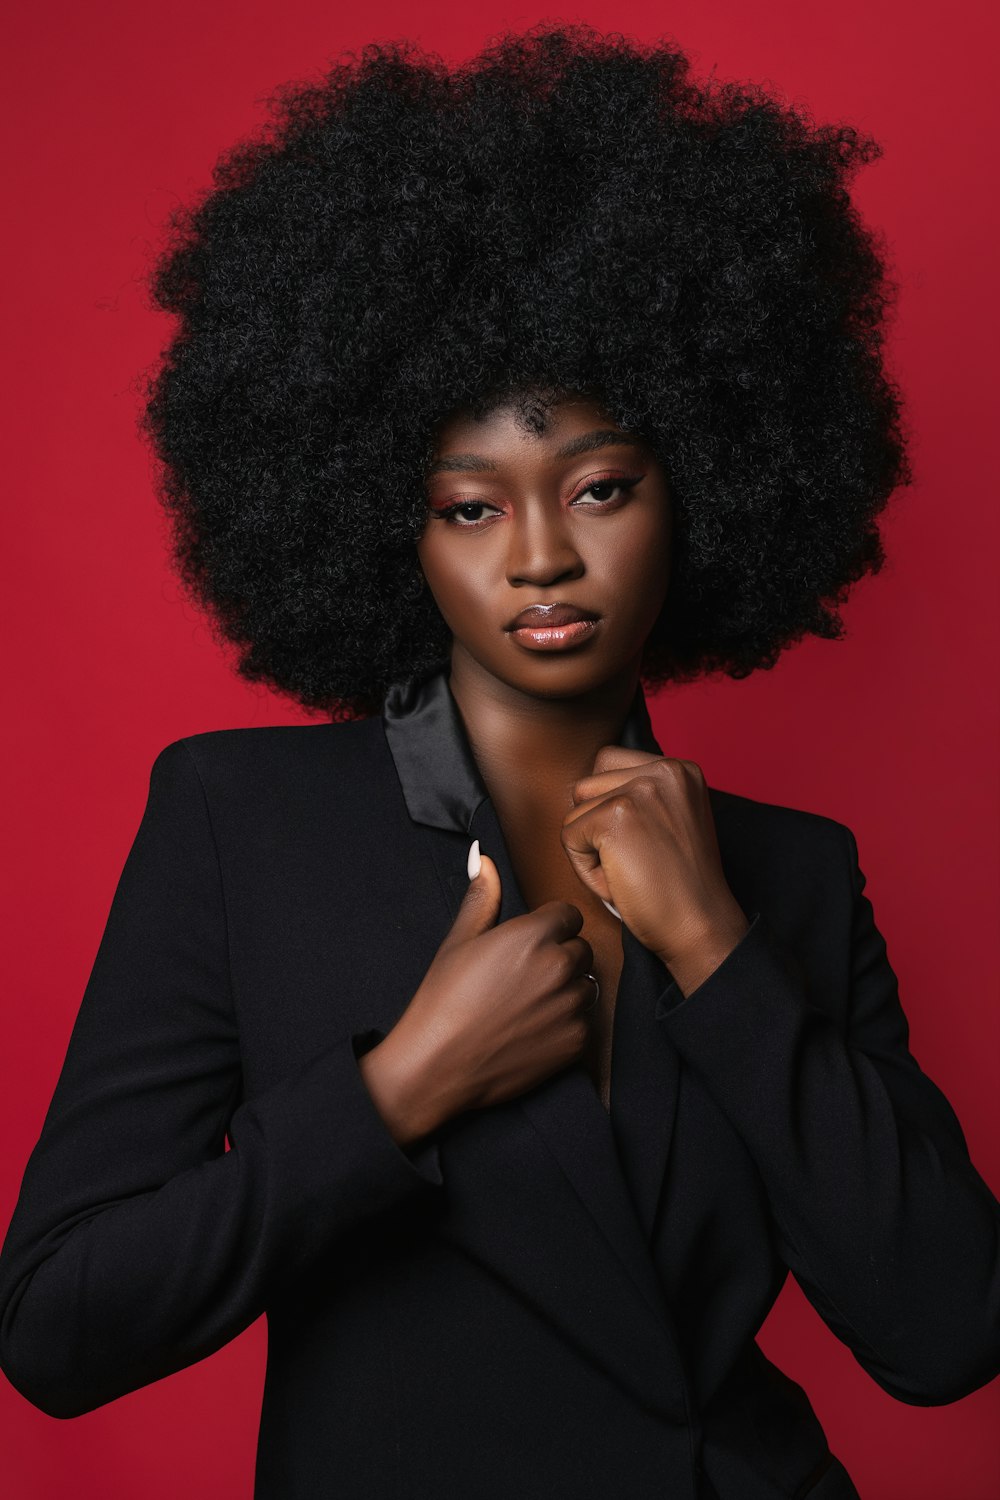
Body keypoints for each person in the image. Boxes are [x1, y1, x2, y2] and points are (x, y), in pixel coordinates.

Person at [0, 22, 997, 1500]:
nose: (541, 556)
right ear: (381, 523)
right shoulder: (240, 823)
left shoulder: (793, 874)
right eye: (471, 506)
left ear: (707, 487)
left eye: (600, 487)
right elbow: (58, 1328)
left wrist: (719, 952)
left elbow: (947, 1330)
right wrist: (395, 1093)